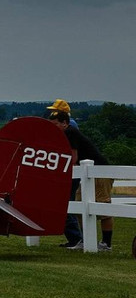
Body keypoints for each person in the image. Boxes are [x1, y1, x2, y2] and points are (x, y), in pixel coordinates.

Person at [47, 101, 113, 251]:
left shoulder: (70, 132)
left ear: (64, 123)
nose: (53, 127)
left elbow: (73, 157)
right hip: (86, 173)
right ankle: (85, 240)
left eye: (55, 124)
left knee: (103, 208)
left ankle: (106, 243)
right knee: (78, 206)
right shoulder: (67, 131)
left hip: (99, 170)